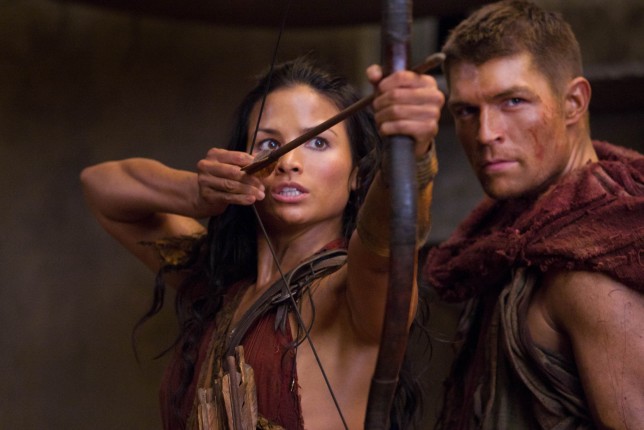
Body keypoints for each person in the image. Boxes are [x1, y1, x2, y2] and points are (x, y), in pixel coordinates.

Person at [81, 56, 444, 430]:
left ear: (357, 174)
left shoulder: (350, 290)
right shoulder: (218, 281)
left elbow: (386, 247)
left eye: (318, 142)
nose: (288, 162)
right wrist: (192, 193)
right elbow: (99, 186)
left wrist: (409, 150)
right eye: (269, 143)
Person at [418, 1, 644, 429]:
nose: (486, 134)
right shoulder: (513, 237)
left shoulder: (591, 267)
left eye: (513, 101)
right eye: (466, 111)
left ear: (573, 102)